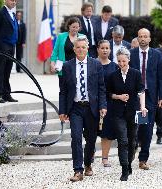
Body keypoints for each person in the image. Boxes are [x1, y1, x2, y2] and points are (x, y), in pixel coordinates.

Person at [59, 36, 107, 182]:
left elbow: (101, 88)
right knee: (76, 137)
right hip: (75, 108)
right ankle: (78, 170)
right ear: (74, 49)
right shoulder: (67, 66)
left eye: (83, 47)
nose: (80, 50)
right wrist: (62, 110)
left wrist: (103, 106)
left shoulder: (96, 65)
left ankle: (87, 164)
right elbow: (63, 91)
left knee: (91, 139)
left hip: (91, 107)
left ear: (88, 49)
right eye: (78, 47)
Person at [107, 47, 147, 181]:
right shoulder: (113, 76)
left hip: (133, 111)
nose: (121, 64)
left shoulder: (136, 74)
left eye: (124, 61)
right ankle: (124, 168)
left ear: (128, 60)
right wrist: (118, 97)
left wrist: (143, 107)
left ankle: (129, 162)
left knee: (132, 141)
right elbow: (108, 94)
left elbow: (141, 91)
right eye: (119, 61)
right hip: (118, 113)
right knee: (122, 141)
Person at [130, 28, 162, 170]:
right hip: (134, 95)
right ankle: (132, 149)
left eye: (145, 36)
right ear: (137, 39)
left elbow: (161, 78)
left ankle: (143, 158)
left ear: (150, 39)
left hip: (150, 96)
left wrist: (161, 97)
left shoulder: (156, 55)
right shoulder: (131, 54)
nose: (143, 39)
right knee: (133, 125)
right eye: (140, 36)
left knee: (148, 127)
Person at [0, 0, 19, 103]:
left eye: (16, 1)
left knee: (7, 71)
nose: (14, 2)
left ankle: (6, 94)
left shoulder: (13, 14)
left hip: (11, 47)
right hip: (1, 46)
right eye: (12, 0)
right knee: (0, 71)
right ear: (6, 0)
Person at [97, 40, 118, 167]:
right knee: (91, 130)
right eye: (102, 48)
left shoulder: (114, 66)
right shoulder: (92, 63)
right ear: (98, 49)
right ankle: (90, 155)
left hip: (110, 102)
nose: (105, 50)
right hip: (93, 102)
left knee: (107, 131)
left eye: (107, 48)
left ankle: (105, 157)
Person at [50, 17, 84, 87]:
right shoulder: (61, 36)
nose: (75, 29)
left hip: (78, 68)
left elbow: (86, 53)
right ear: (69, 26)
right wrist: (52, 64)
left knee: (75, 90)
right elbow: (55, 51)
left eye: (77, 27)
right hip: (63, 68)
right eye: (73, 27)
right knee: (63, 90)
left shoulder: (83, 37)